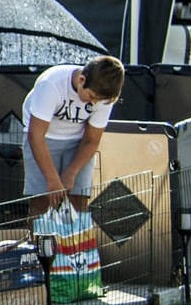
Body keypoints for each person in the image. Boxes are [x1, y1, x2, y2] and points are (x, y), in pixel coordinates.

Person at [22, 56, 124, 216]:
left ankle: (75, 241)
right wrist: (52, 179)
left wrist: (72, 172)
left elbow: (91, 140)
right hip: (44, 139)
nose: (95, 103)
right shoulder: (51, 84)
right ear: (81, 80)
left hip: (79, 141)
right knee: (41, 201)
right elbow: (36, 135)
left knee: (79, 199)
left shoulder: (104, 98)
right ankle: (40, 241)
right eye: (91, 97)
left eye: (99, 101)